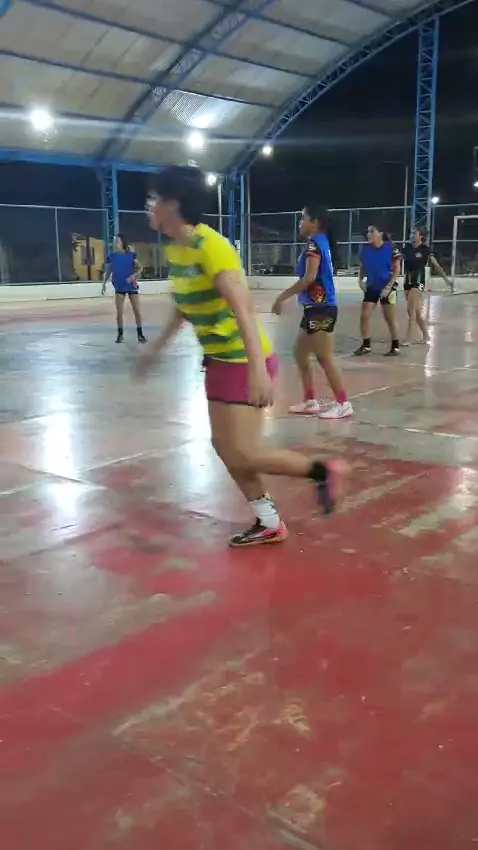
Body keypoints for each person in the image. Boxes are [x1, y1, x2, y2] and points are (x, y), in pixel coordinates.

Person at [136, 165, 348, 548]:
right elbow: (184, 304)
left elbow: (243, 309)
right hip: (217, 360)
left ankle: (321, 472)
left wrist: (258, 371)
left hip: (241, 360)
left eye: (155, 198)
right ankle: (268, 521)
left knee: (245, 452)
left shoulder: (212, 247)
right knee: (224, 446)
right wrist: (157, 347)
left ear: (174, 204)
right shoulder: (177, 248)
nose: (148, 205)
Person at [271, 205, 353, 420]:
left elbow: (309, 278)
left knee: (324, 357)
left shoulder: (314, 245)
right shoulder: (321, 242)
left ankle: (343, 403)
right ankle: (310, 401)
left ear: (315, 222)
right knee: (300, 353)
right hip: (314, 309)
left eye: (303, 218)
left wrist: (281, 297)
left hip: (321, 308)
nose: (300, 223)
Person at [354, 226, 401, 357]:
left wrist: (389, 287)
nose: (368, 234)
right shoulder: (365, 250)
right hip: (372, 286)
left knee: (389, 318)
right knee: (365, 315)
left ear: (380, 233)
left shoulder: (391, 248)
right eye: (367, 231)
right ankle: (366, 345)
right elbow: (362, 266)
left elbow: (397, 269)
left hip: (387, 287)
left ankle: (395, 346)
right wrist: (360, 280)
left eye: (372, 231)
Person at [402, 227, 453, 345]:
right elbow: (396, 261)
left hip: (418, 282)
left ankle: (409, 338)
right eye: (411, 233)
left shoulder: (425, 250)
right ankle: (426, 335)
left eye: (414, 233)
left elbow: (436, 266)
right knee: (416, 312)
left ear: (421, 236)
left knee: (410, 309)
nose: (411, 235)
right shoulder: (406, 248)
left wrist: (446, 280)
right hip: (407, 281)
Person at [102, 234, 146, 344]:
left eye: (118, 240)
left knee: (137, 311)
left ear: (123, 242)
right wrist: (104, 284)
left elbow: (140, 268)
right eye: (115, 241)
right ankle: (120, 334)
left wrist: (134, 276)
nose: (116, 242)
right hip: (119, 286)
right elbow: (109, 271)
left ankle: (140, 334)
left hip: (131, 286)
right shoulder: (112, 257)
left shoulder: (131, 255)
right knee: (119, 312)